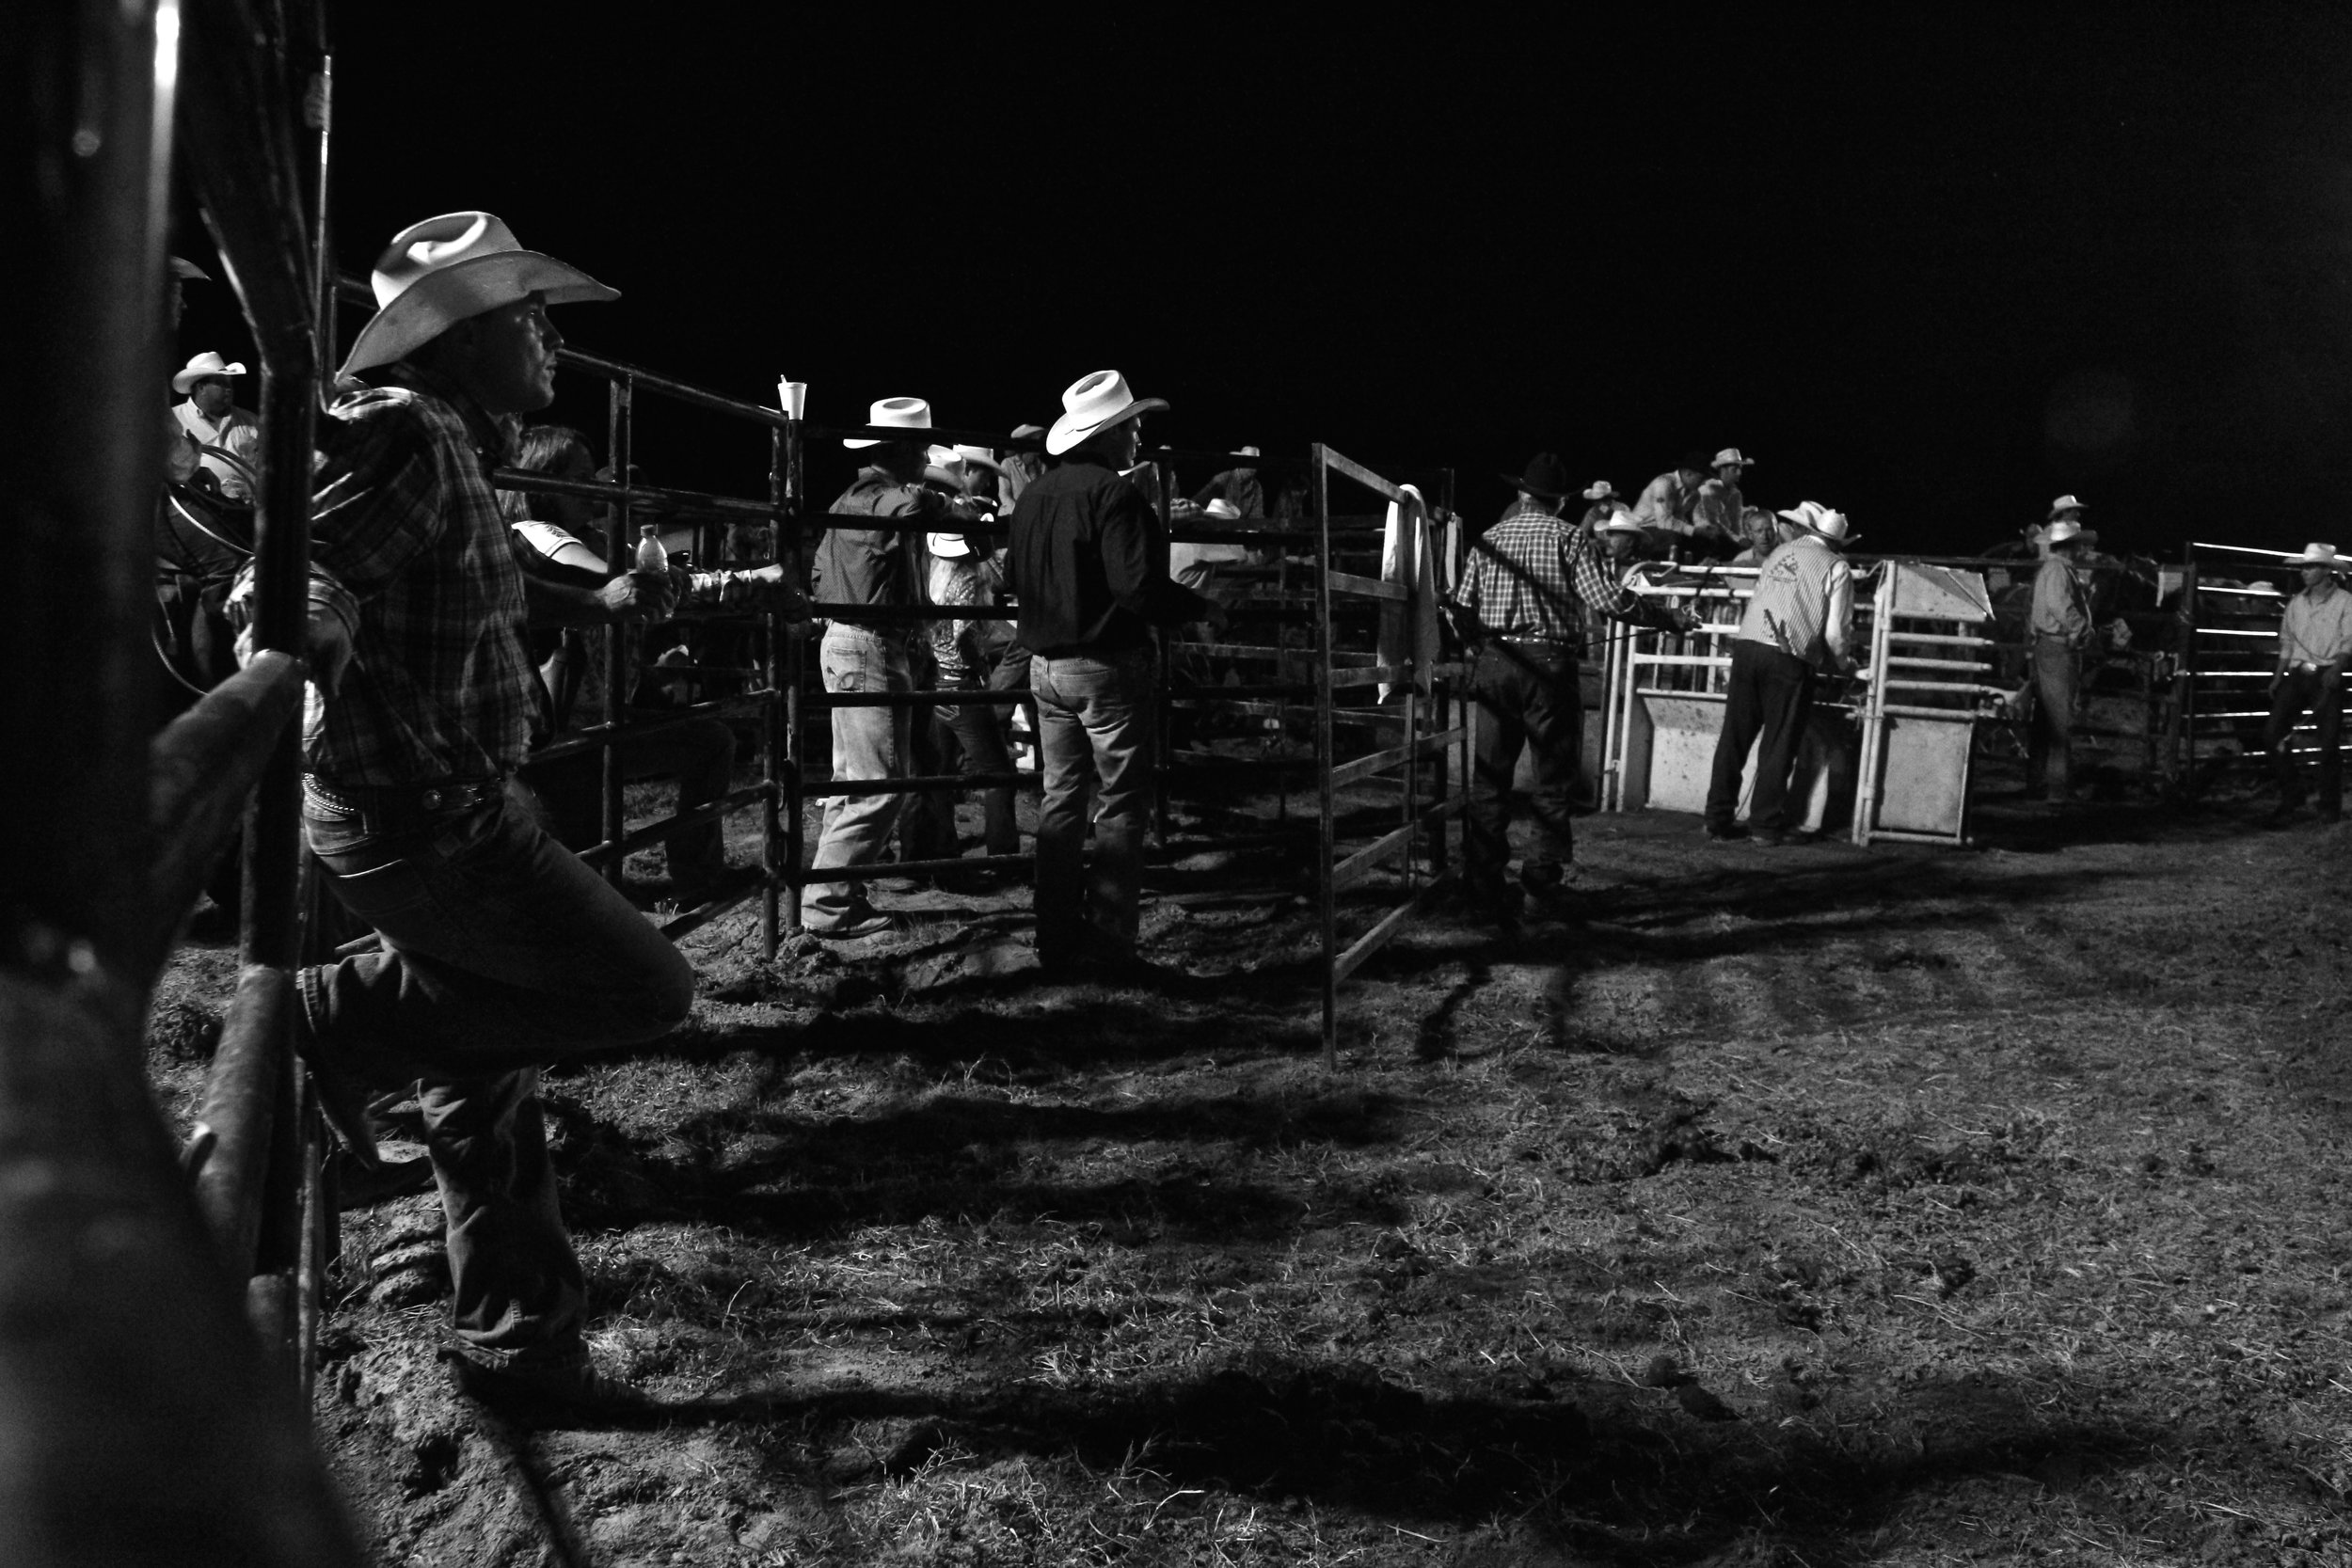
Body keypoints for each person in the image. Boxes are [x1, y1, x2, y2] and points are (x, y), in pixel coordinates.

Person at [261, 211, 693, 1408]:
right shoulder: (407, 431)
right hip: (428, 817)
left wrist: (595, 605)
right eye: (524, 314)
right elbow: (292, 565)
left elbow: (455, 587)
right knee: (644, 987)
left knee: (478, 1060)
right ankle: (313, 1017)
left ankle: (519, 1344)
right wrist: (310, 625)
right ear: (453, 337)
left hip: (439, 800)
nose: (549, 335)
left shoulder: (452, 441)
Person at [497, 423, 787, 903]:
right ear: (543, 481)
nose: (599, 488)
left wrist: (651, 673)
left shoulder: (587, 535)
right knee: (570, 882)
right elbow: (630, 585)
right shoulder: (535, 536)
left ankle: (698, 877)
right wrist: (747, 578)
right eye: (583, 476)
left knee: (710, 741)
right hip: (556, 734)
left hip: (598, 724)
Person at [1008, 370, 1221, 974]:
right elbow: (1136, 589)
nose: (1138, 437)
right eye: (1131, 426)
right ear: (1109, 434)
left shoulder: (1032, 498)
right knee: (1123, 802)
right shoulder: (1115, 495)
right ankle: (1108, 944)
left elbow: (1010, 579)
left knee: (1061, 800)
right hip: (1104, 665)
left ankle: (1055, 938)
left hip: (1044, 666)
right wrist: (1197, 606)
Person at [1450, 454, 1696, 916]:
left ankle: (1482, 880)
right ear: (1560, 501)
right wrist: (1666, 617)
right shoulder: (1568, 538)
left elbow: (1461, 607)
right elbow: (1606, 599)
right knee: (1551, 778)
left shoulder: (1489, 538)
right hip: (1549, 663)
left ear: (1522, 495)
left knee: (1490, 778)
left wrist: (1476, 646)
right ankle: (1541, 883)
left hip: (1497, 660)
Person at [803, 397, 976, 936]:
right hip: (867, 643)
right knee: (879, 782)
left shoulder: (856, 499)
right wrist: (954, 505)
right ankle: (827, 904)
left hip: (857, 642)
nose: (926, 455)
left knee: (857, 779)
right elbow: (913, 509)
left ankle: (832, 897)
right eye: (921, 447)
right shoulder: (877, 498)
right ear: (901, 449)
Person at [1702, 500, 1857, 846]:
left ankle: (1716, 820)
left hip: (1748, 646)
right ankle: (1765, 826)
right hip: (1789, 655)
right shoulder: (1836, 567)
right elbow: (1835, 633)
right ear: (1837, 542)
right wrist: (1845, 665)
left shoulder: (1779, 554)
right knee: (1779, 743)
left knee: (1734, 738)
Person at [2264, 543, 2352, 825]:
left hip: (2326, 672)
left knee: (2328, 745)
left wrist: (2337, 668)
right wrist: (2279, 675)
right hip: (2299, 673)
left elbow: (2349, 640)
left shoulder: (2346, 602)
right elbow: (2287, 642)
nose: (2304, 572)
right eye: (2303, 567)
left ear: (2328, 571)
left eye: (2311, 566)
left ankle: (2328, 805)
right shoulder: (2296, 604)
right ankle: (2294, 794)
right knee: (2272, 735)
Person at [2026, 516, 2100, 802]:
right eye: (2080, 544)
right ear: (2070, 546)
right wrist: (2082, 627)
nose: (2084, 549)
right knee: (2060, 721)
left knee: (2045, 720)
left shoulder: (2052, 569)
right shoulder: (2059, 571)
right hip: (2059, 649)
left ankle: (2038, 782)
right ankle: (2058, 788)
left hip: (2048, 646)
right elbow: (2060, 605)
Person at [169, 351, 262, 501]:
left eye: (229, 383)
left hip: (245, 508)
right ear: (201, 388)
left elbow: (272, 456)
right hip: (195, 507)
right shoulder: (174, 419)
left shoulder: (249, 420)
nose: (229, 388)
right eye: (221, 383)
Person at [1688, 448, 1752, 558]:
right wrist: (1738, 540)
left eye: (1740, 469)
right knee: (1716, 536)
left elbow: (1736, 522)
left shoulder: (1736, 494)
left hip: (1726, 537)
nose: (1739, 473)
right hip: (1705, 536)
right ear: (1723, 470)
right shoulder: (1709, 489)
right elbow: (1714, 522)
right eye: (1734, 469)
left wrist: (1742, 537)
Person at [1190, 446, 1266, 518]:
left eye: (1256, 463)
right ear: (1240, 463)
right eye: (1249, 462)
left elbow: (1256, 516)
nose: (1253, 468)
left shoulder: (1256, 487)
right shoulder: (1222, 479)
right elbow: (1195, 504)